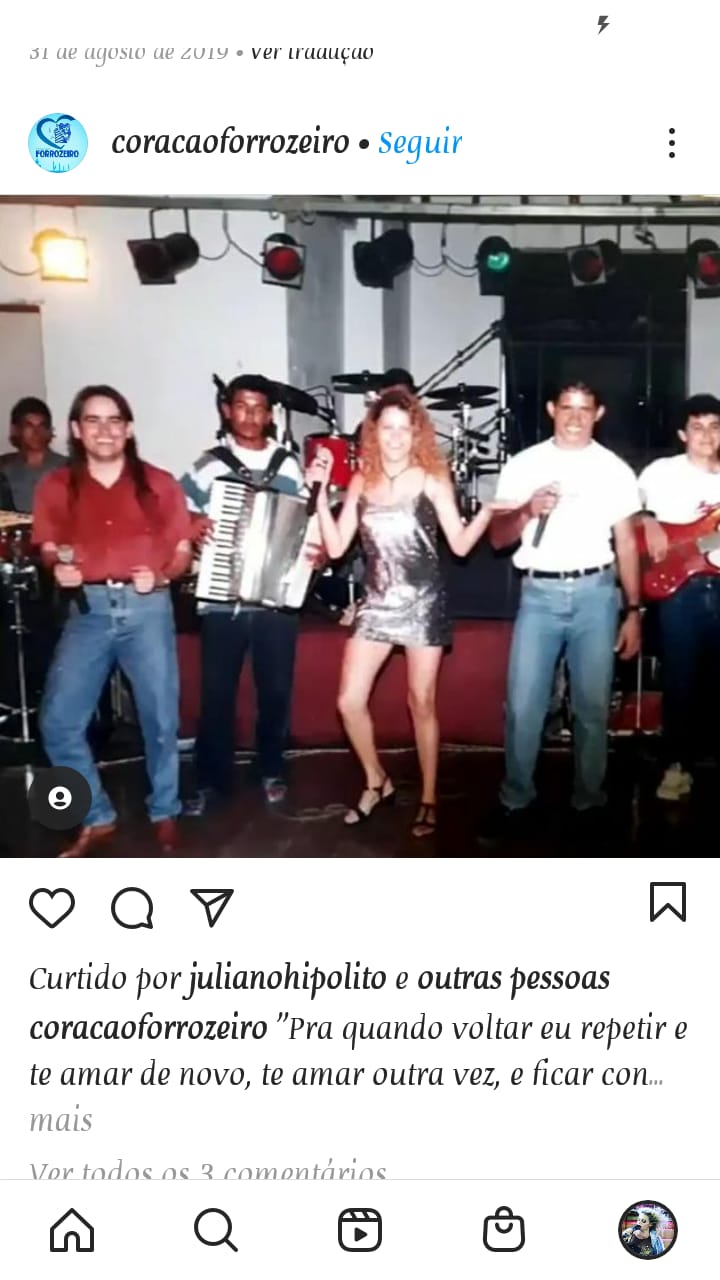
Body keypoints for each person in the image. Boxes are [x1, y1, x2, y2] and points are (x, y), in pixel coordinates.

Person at [306, 387, 510, 838]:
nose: (395, 437)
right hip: (378, 603)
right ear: (373, 432)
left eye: (404, 428)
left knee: (421, 702)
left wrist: (487, 512)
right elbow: (336, 548)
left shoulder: (432, 477)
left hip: (422, 603)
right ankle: (376, 780)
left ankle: (429, 797)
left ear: (416, 433)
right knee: (348, 701)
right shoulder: (361, 481)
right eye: (387, 428)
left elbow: (460, 546)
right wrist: (319, 497)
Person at [32, 385, 193, 857]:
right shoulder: (56, 486)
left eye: (114, 420)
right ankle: (96, 816)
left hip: (147, 610)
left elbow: (182, 552)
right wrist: (56, 566)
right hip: (88, 611)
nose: (105, 430)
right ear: (77, 430)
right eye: (93, 420)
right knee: (59, 721)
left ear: (128, 428)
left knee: (160, 719)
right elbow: (49, 547)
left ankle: (165, 810)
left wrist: (162, 575)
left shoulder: (160, 484)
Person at [487, 381, 642, 836]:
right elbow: (497, 538)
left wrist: (634, 611)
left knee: (592, 708)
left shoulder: (613, 469)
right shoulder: (524, 464)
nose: (575, 417)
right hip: (539, 595)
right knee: (523, 705)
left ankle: (589, 801)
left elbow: (626, 544)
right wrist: (527, 510)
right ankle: (516, 799)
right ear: (552, 409)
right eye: (567, 407)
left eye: (585, 409)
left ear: (599, 413)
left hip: (597, 594)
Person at [180, 374, 312, 816]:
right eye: (242, 406)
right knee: (217, 693)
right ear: (227, 410)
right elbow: (175, 512)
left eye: (259, 408)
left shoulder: (287, 465)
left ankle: (270, 768)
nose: (250, 416)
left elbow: (306, 521)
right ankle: (211, 779)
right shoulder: (208, 465)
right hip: (222, 598)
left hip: (276, 598)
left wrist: (312, 549)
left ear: (270, 414)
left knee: (275, 689)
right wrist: (192, 524)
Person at [638, 394, 720, 801]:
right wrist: (647, 519)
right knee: (680, 680)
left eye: (715, 427)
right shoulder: (661, 472)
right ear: (682, 433)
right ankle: (676, 766)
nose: (707, 435)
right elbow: (624, 514)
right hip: (680, 591)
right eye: (698, 427)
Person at [0, 397, 66, 512]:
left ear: (50, 430)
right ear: (16, 430)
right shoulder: (4, 468)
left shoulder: (69, 467)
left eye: (42, 426)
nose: (36, 432)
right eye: (29, 426)